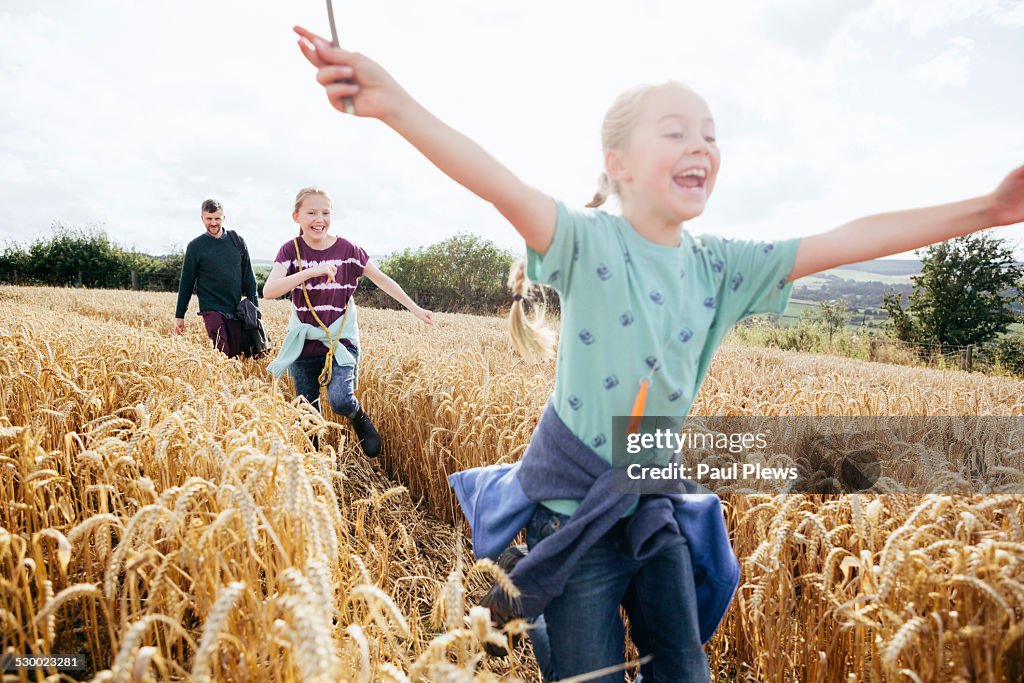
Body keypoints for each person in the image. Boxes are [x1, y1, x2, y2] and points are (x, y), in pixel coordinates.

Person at [292, 25, 1024, 682]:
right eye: (675, 131)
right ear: (618, 161)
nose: (701, 145)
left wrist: (989, 210)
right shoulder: (584, 241)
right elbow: (496, 182)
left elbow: (849, 236)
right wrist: (395, 104)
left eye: (710, 133)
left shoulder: (723, 267)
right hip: (571, 518)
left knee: (684, 668)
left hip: (653, 507)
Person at [264, 187, 433, 457]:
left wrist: (415, 308)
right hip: (304, 342)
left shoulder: (348, 250)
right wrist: (311, 272)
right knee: (306, 411)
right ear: (296, 217)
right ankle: (316, 464)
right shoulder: (290, 250)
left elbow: (382, 279)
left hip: (340, 338)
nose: (319, 219)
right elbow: (269, 291)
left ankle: (358, 417)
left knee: (341, 400)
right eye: (311, 213)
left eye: (325, 212)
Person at [174, 199, 259, 358]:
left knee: (234, 355)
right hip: (211, 308)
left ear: (223, 218)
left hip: (235, 308)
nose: (213, 223)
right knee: (221, 352)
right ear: (202, 218)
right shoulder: (195, 247)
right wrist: (180, 315)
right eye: (209, 218)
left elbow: (249, 278)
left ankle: (232, 383)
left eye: (217, 218)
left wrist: (255, 309)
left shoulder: (238, 242)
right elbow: (186, 283)